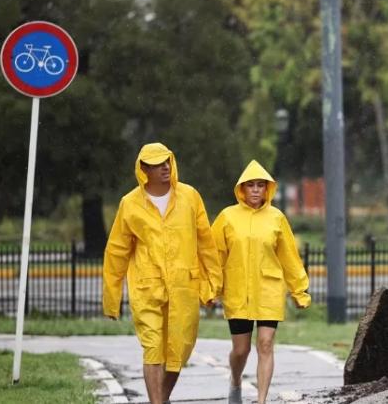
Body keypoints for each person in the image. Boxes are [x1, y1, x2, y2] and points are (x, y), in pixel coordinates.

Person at [102, 143, 222, 404]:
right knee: (153, 348)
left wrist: (212, 284)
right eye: (157, 164)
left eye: (167, 161)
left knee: (179, 351)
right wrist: (112, 300)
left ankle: (161, 399)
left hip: (184, 287)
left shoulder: (190, 197)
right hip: (147, 289)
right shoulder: (130, 204)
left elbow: (206, 244)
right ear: (144, 169)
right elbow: (116, 253)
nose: (165, 167)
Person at [211, 160, 311, 404]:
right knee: (241, 350)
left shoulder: (277, 218)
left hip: (269, 290)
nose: (255, 190)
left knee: (265, 344)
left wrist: (299, 291)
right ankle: (235, 382)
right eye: (250, 185)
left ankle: (261, 400)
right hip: (237, 292)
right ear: (241, 189)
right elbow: (213, 257)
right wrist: (211, 289)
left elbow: (290, 257)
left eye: (260, 185)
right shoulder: (227, 217)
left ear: (267, 189)